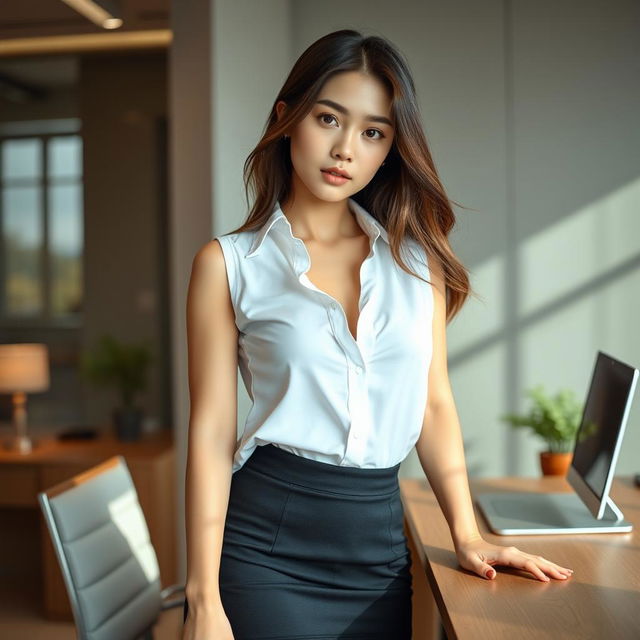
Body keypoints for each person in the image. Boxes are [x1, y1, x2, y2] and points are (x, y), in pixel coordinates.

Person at [181, 29, 573, 640]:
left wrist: (466, 533)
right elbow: (210, 433)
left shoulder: (418, 264)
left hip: (378, 548)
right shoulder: (228, 265)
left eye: (372, 132)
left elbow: (434, 403)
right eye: (328, 119)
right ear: (286, 120)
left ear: (391, 148)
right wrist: (203, 600)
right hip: (265, 544)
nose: (345, 149)